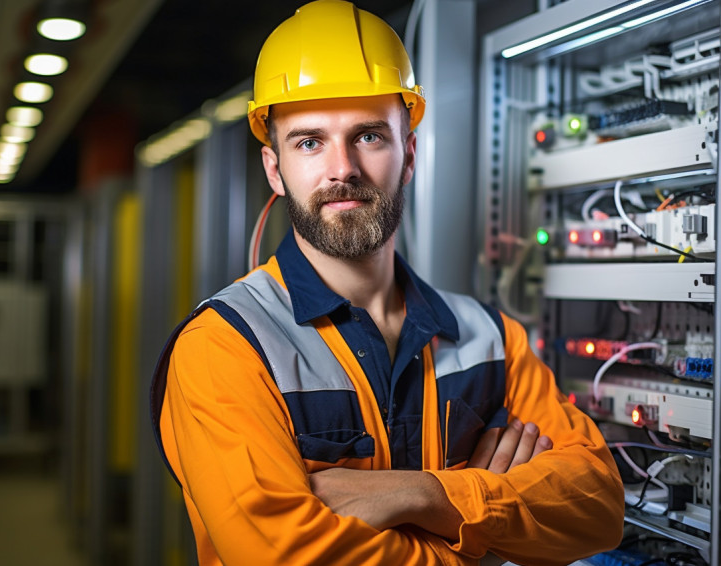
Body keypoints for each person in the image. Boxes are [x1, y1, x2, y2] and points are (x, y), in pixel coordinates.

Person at [150, 1, 624, 564]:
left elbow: (598, 503)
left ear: (409, 155)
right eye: (309, 142)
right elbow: (284, 556)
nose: (343, 167)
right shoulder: (224, 347)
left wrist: (424, 494)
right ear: (274, 169)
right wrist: (483, 536)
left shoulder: (491, 338)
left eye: (370, 136)